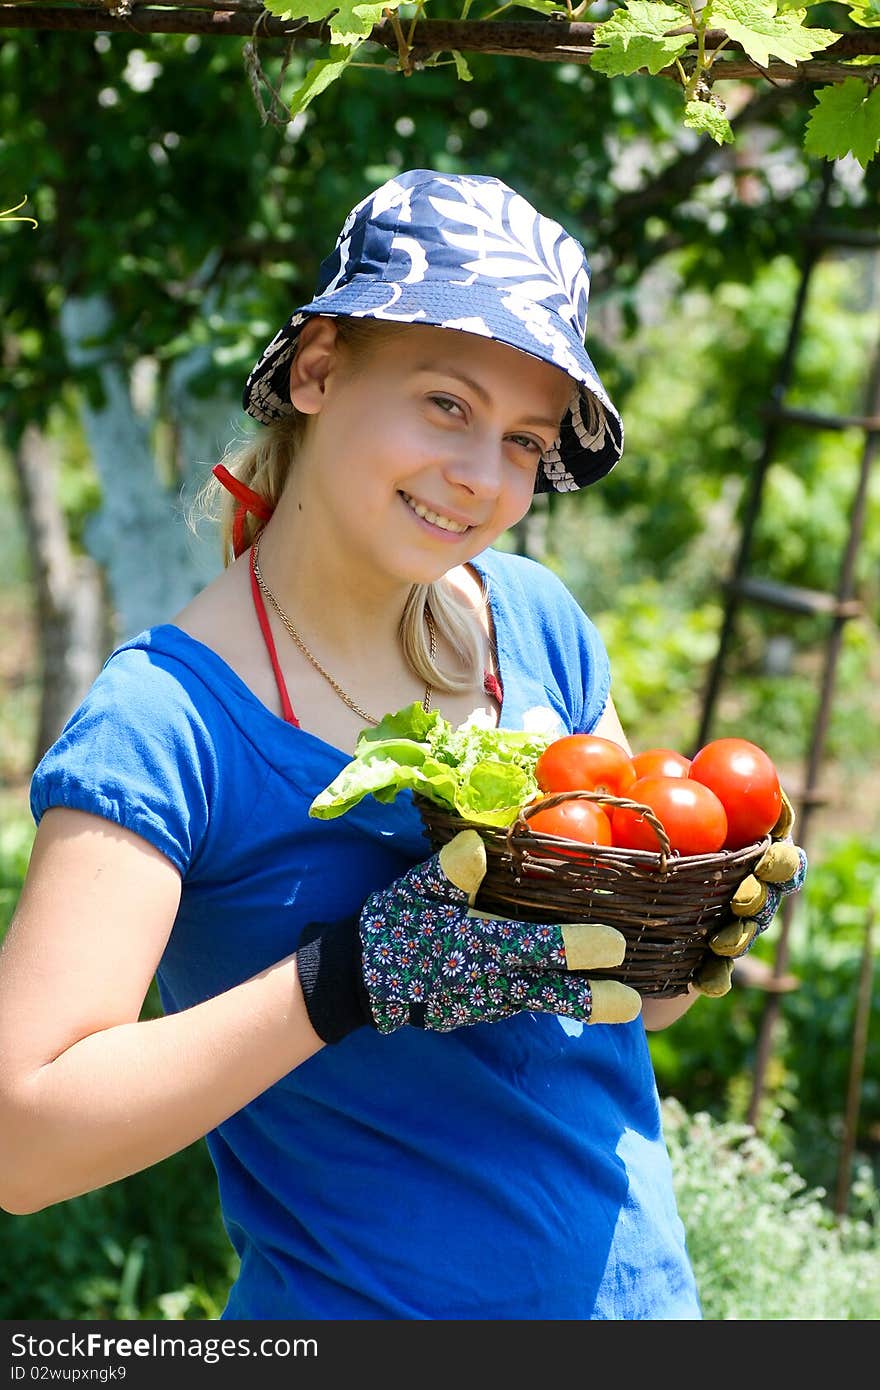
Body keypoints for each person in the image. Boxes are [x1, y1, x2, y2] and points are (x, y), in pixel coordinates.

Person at [0, 169, 806, 1320]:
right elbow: (23, 1144)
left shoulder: (535, 627)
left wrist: (684, 927)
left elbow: (617, 1009)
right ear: (320, 369)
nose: (482, 477)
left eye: (525, 440)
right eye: (444, 403)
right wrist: (350, 978)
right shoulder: (167, 722)